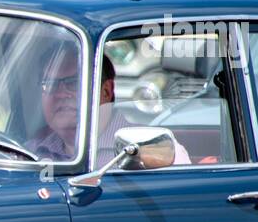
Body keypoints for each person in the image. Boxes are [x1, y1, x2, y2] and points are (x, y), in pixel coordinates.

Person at [28, 46, 190, 167]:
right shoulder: (30, 154)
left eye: (74, 83)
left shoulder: (154, 148)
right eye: (49, 84)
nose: (60, 94)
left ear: (105, 91)